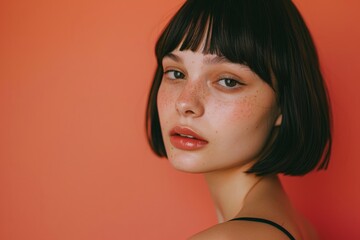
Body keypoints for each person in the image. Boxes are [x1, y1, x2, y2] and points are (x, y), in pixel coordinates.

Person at [146, 0, 332, 239]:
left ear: (284, 105)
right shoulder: (299, 227)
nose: (185, 103)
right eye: (176, 73)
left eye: (228, 81)